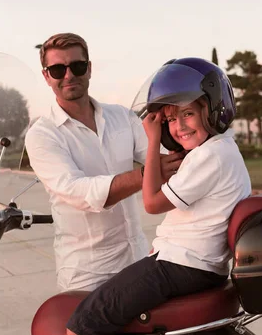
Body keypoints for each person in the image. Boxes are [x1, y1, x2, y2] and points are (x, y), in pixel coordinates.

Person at [65, 57, 252, 335]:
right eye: (170, 120)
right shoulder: (219, 150)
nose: (178, 127)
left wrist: (152, 140)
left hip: (182, 266)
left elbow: (152, 202)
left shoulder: (210, 157)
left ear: (213, 109)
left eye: (188, 113)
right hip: (190, 263)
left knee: (82, 326)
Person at [24, 33, 184, 291]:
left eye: (76, 66)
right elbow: (78, 192)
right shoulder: (43, 134)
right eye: (57, 69)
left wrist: (190, 129)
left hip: (138, 260)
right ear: (46, 76)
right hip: (87, 273)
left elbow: (164, 155)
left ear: (88, 69)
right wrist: (146, 174)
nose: (68, 75)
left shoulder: (121, 116)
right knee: (86, 331)